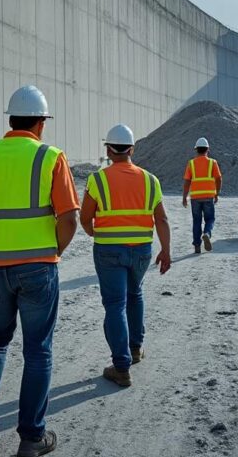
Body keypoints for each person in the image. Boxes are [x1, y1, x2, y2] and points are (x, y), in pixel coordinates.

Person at [0, 85, 79, 457]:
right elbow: (69, 217)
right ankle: (31, 438)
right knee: (38, 351)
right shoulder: (49, 157)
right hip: (39, 268)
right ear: (41, 122)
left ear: (10, 120)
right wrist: (54, 250)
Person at [80, 124, 172, 387]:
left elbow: (85, 217)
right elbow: (162, 218)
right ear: (132, 149)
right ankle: (135, 348)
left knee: (115, 305)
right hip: (141, 250)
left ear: (108, 150)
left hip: (109, 250)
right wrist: (166, 250)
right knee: (135, 295)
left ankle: (121, 366)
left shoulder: (97, 179)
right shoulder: (150, 179)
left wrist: (93, 232)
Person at [182, 137, 222, 254]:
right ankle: (207, 234)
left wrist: (184, 197)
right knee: (210, 219)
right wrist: (217, 193)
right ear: (207, 149)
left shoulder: (191, 163)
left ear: (196, 150)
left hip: (195, 198)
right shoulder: (212, 163)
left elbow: (186, 181)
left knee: (196, 221)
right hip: (208, 196)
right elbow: (219, 179)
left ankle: (197, 246)